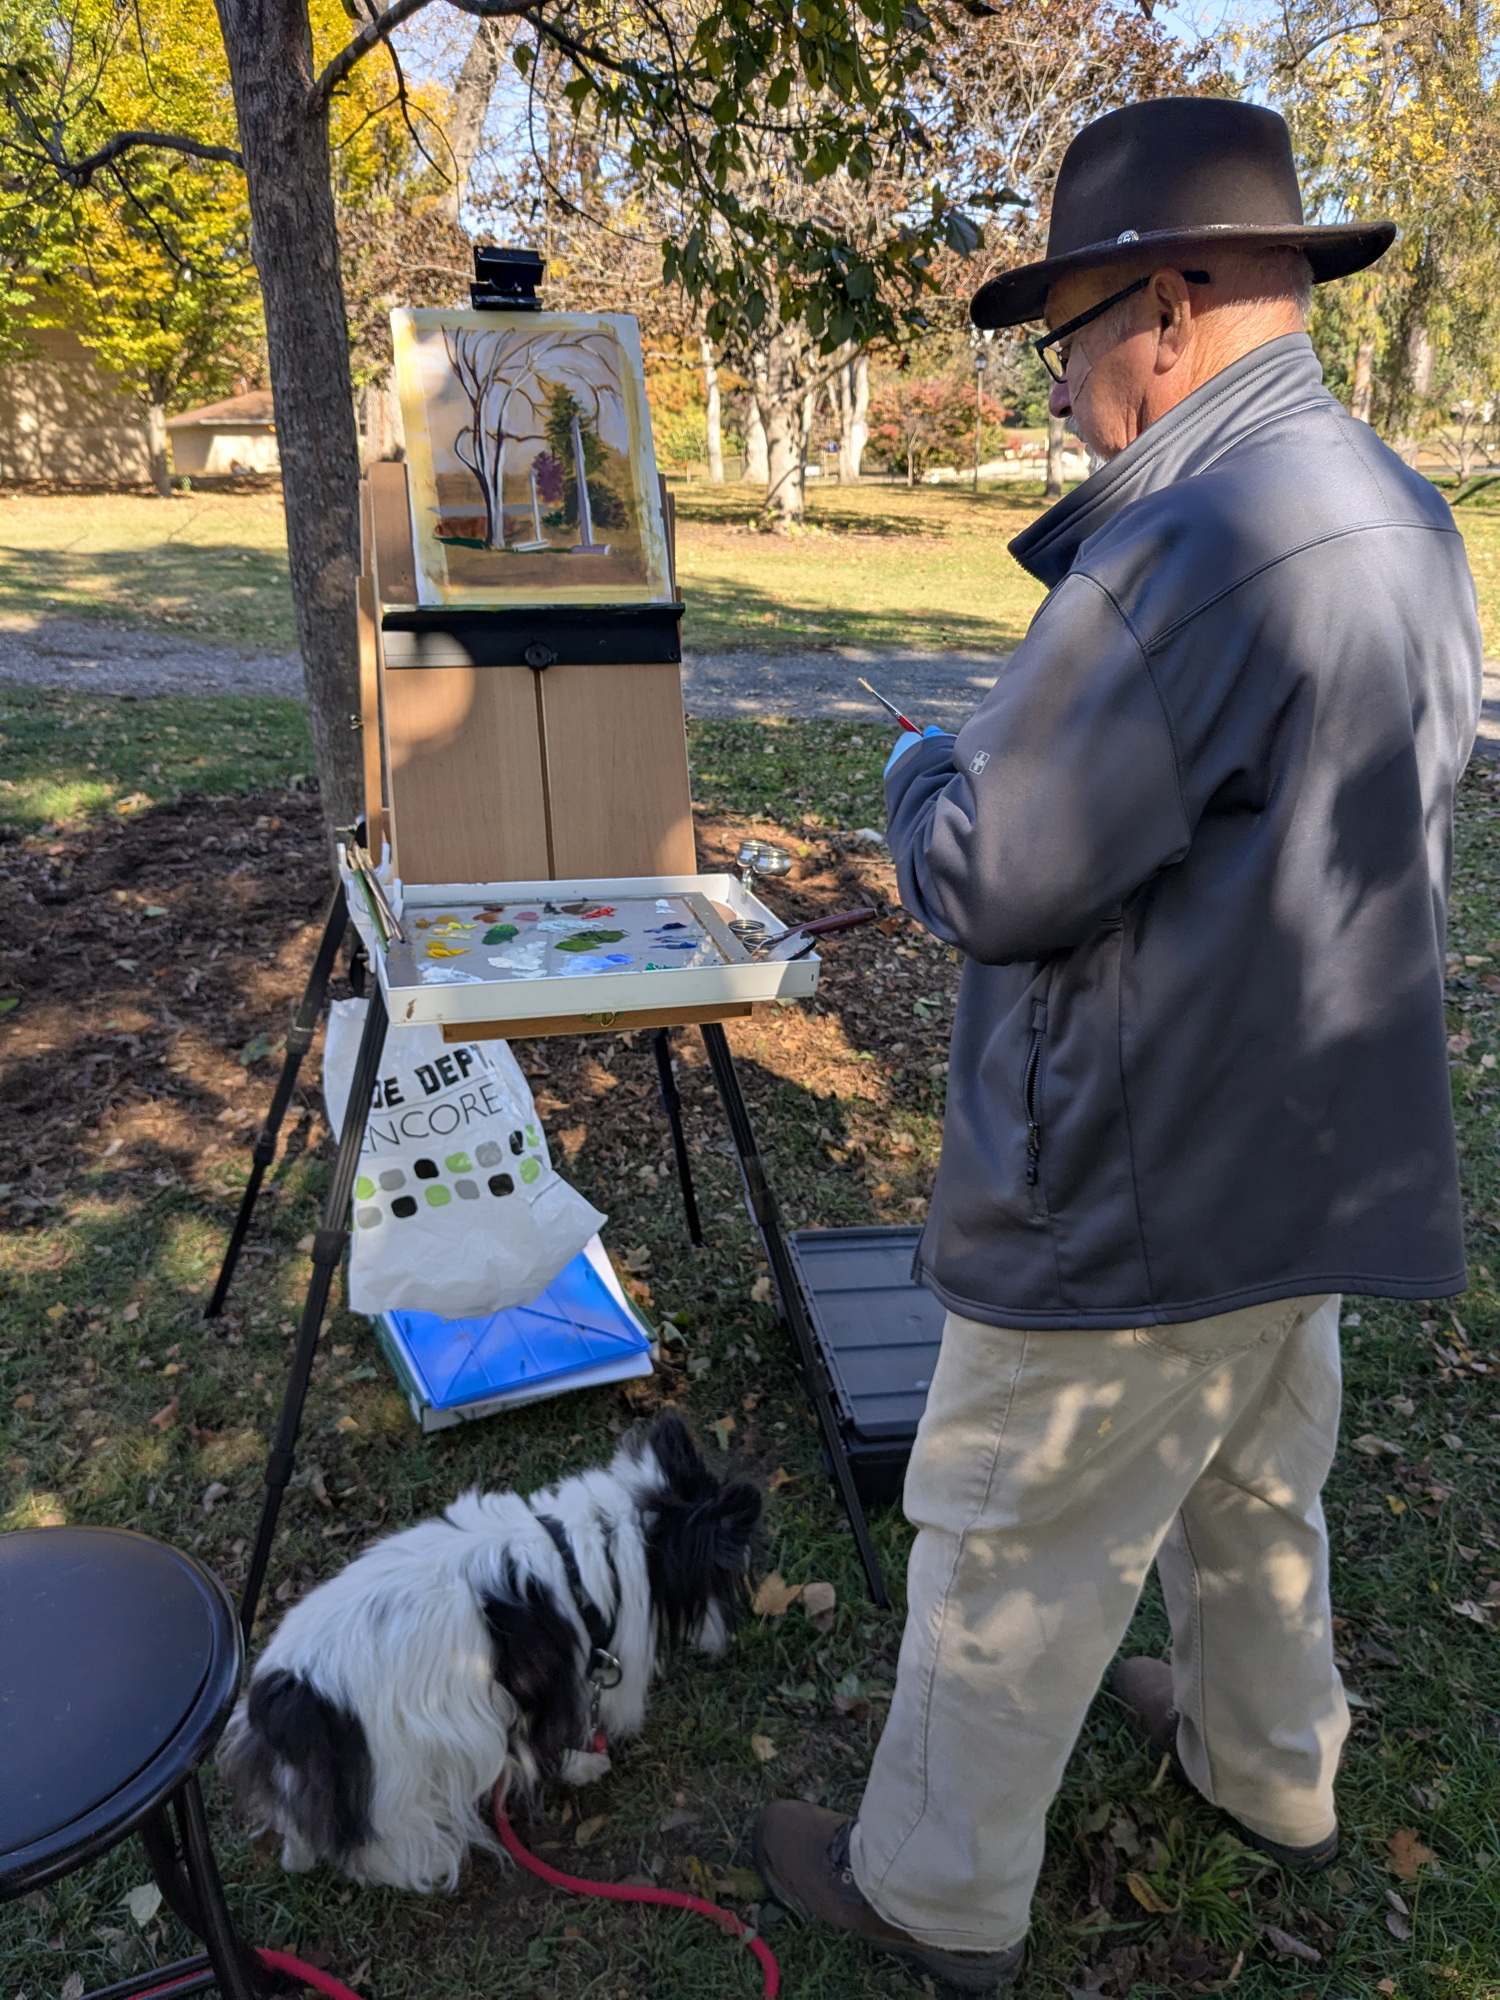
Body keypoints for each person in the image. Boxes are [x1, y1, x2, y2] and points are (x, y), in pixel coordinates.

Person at [753, 96, 1482, 1994]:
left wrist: (923, 771)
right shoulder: (1401, 504)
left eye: (1070, 343)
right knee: (1256, 1486)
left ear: (1167, 306)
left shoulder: (1187, 543)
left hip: (1145, 1172)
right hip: (1313, 1146)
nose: (1065, 389)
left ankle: (928, 1887)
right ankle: (1272, 1769)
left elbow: (998, 867)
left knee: (1010, 1536)